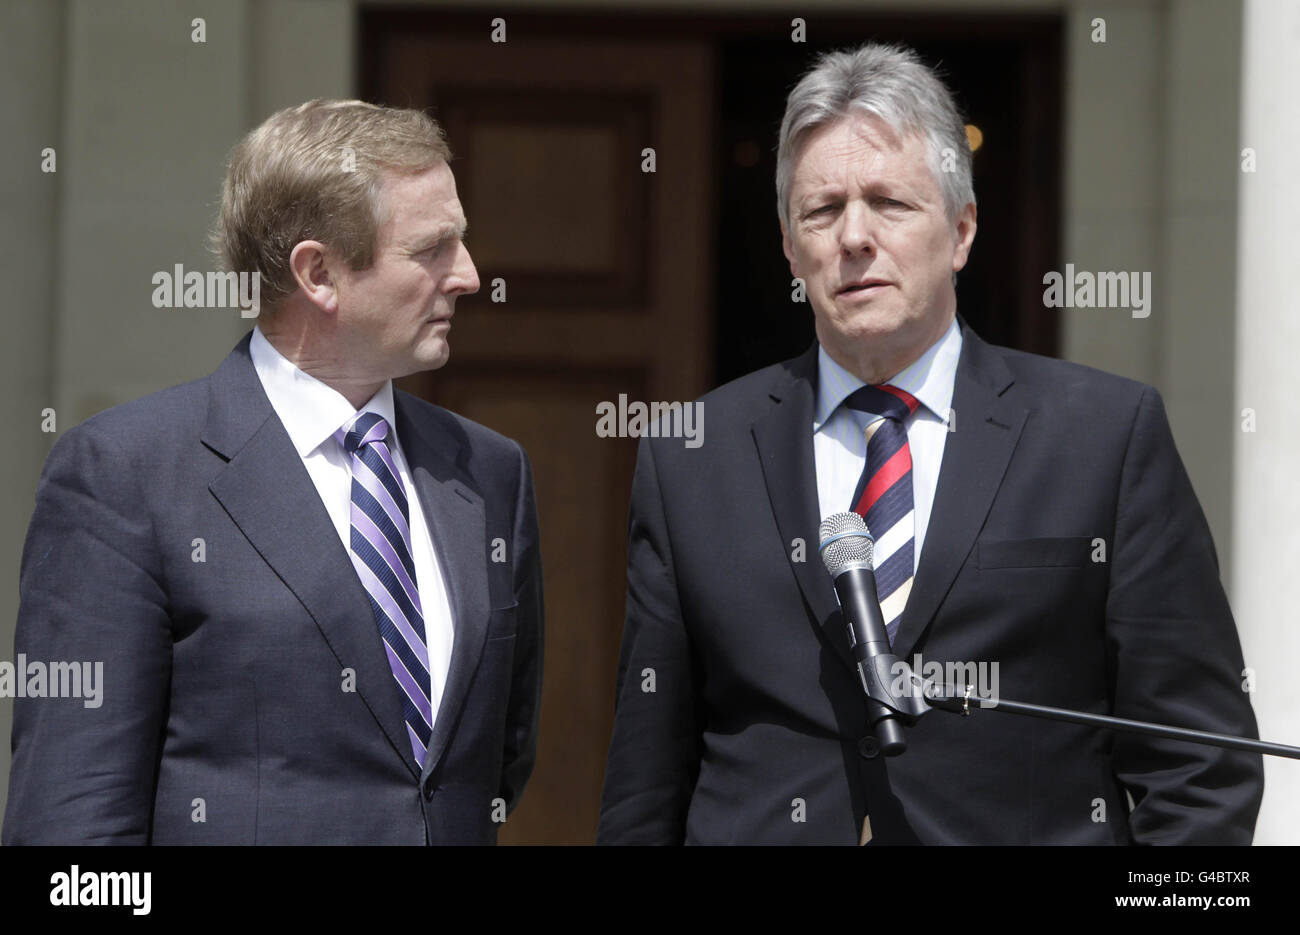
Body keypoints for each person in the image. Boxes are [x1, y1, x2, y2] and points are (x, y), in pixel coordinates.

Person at [597, 44, 1262, 844]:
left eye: (889, 203)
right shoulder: (693, 457)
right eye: (822, 210)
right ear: (788, 245)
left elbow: (1201, 766)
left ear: (961, 230)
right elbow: (646, 786)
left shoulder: (1104, 437)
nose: (853, 237)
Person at [3, 100, 543, 845]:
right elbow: (71, 822)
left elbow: (494, 765)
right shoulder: (127, 474)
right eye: (432, 249)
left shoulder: (489, 471)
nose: (470, 276)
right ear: (318, 272)